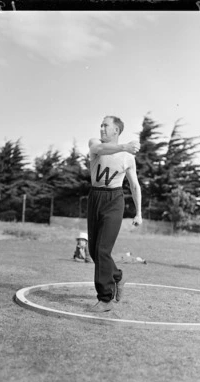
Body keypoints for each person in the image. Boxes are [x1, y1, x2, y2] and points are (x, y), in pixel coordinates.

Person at [87, 115, 142, 313]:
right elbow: (99, 150)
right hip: (95, 197)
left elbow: (134, 185)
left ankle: (105, 299)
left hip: (114, 200)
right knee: (94, 252)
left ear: (116, 131)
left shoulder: (128, 157)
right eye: (100, 125)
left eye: (105, 126)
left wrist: (139, 213)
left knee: (102, 250)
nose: (101, 128)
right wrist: (125, 146)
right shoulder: (95, 143)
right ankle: (117, 275)